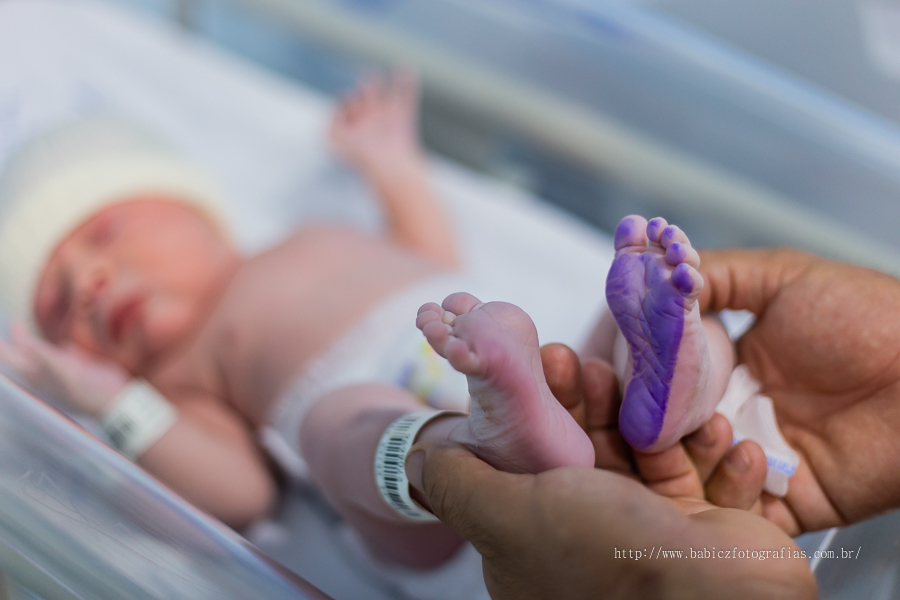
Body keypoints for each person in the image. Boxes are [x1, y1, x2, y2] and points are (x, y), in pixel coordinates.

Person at [0, 71, 715, 574]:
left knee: (605, 329)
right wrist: (117, 404)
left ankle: (669, 382)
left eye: (106, 232)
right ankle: (472, 442)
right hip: (422, 490)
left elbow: (431, 257)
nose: (89, 284)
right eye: (60, 303)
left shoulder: (310, 234)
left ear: (186, 202)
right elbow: (241, 494)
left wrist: (390, 166)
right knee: (334, 423)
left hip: (503, 353)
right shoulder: (179, 378)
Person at [405, 247, 900, 598]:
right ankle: (684, 393)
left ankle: (479, 440)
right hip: (580, 496)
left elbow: (429, 240)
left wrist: (393, 172)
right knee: (690, 336)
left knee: (372, 424)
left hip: (414, 394)